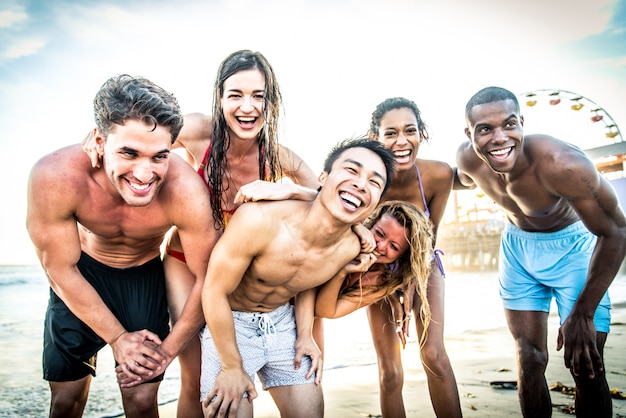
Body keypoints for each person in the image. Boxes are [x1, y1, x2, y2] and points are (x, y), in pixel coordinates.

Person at [26, 75, 220, 417]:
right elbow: (58, 268)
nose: (144, 175)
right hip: (79, 276)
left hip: (142, 278)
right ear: (99, 140)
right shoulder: (57, 176)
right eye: (129, 153)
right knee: (66, 401)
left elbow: (209, 279)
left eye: (159, 157)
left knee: (143, 402)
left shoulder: (185, 190)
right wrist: (117, 339)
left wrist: (167, 351)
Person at [455, 86, 626, 417]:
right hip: (517, 247)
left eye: (509, 124)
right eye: (485, 129)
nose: (499, 138)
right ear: (469, 134)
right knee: (529, 359)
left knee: (586, 363)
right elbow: (451, 181)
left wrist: (583, 312)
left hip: (574, 246)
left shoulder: (562, 164)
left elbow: (616, 230)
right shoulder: (467, 159)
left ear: (522, 122)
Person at [200, 137, 396, 418]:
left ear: (377, 200)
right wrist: (231, 366)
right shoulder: (260, 220)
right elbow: (214, 291)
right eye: (351, 170)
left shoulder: (352, 246)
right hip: (231, 325)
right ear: (323, 177)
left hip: (283, 324)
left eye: (374, 183)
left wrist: (305, 335)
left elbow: (305, 281)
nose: (361, 184)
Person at [367, 97, 462, 417]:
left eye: (410, 130)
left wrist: (408, 288)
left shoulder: (438, 175)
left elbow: (429, 240)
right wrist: (390, 290)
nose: (401, 141)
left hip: (424, 263)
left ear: (422, 133)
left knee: (433, 354)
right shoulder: (366, 181)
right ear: (375, 138)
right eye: (390, 133)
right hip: (375, 267)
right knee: (390, 371)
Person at [314, 200, 433, 328]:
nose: (380, 246)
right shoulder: (345, 235)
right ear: (371, 224)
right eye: (379, 234)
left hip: (308, 313)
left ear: (402, 256)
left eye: (393, 246)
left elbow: (325, 311)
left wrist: (343, 273)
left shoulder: (380, 281)